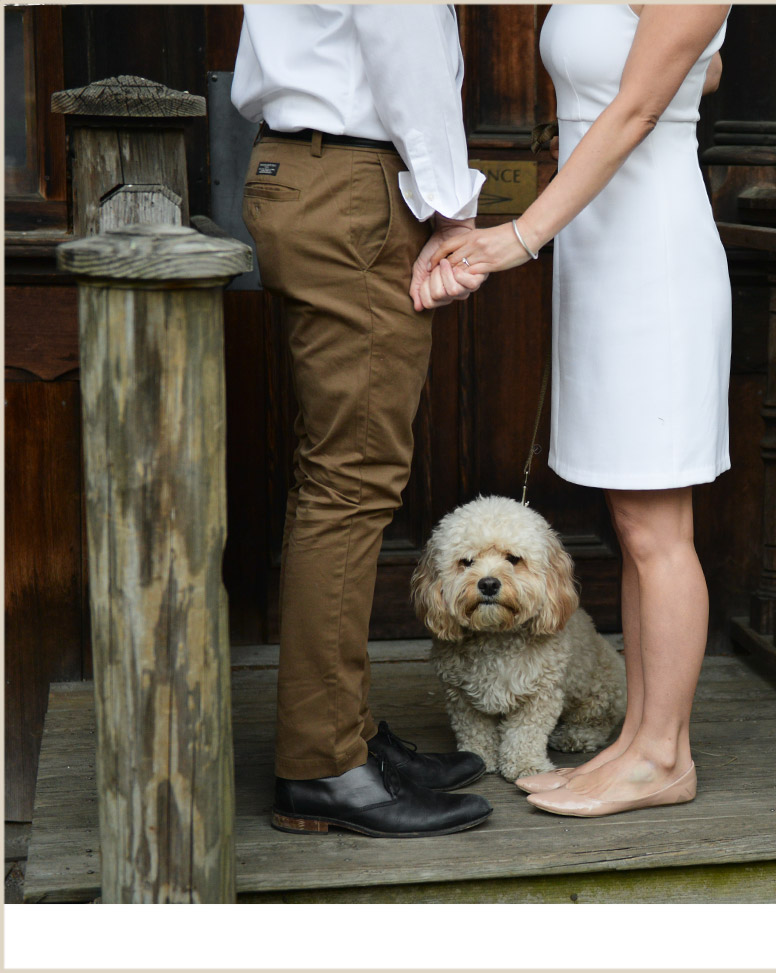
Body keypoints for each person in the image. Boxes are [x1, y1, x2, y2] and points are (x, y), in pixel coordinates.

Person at [417, 3, 731, 818]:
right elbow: (703, 68)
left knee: (660, 528)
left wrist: (515, 238)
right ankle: (639, 739)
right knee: (631, 521)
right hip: (599, 249)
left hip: (653, 252)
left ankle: (665, 756)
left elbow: (636, 107)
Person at [232, 4, 494, 837]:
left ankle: (348, 734)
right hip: (351, 183)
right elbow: (403, 36)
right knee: (350, 480)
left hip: (302, 169)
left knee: (335, 473)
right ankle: (323, 764)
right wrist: (452, 207)